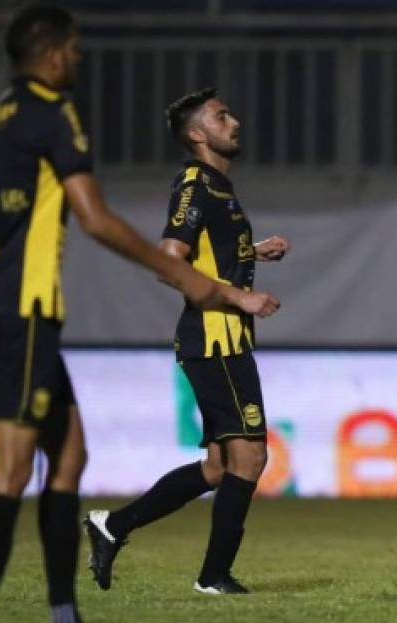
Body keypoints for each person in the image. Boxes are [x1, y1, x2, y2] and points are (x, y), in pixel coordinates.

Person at [0, 6, 279, 623]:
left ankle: (68, 620)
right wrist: (204, 284)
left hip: (7, 303)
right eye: (76, 49)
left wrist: (247, 258)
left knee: (70, 459)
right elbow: (98, 219)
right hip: (22, 306)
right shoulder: (56, 111)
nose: (81, 59)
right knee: (8, 471)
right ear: (53, 54)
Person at [83, 88, 289, 597]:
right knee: (250, 460)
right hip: (214, 340)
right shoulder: (196, 184)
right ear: (197, 134)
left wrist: (252, 253)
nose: (234, 121)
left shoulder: (218, 187)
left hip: (223, 338)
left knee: (220, 467)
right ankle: (212, 577)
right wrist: (241, 299)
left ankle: (113, 524)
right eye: (222, 116)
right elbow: (169, 260)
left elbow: (204, 254)